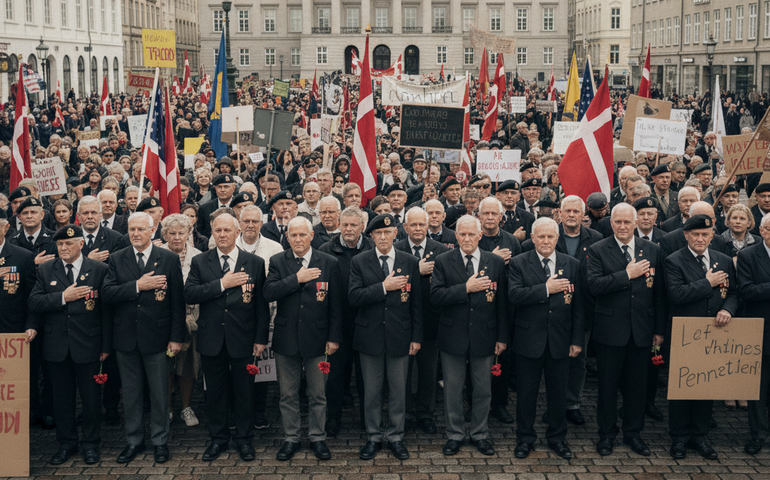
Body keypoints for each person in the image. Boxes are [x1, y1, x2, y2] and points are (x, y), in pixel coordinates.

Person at [183, 213, 269, 461]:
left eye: (227, 230)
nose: (222, 235)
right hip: (212, 338)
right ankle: (218, 439)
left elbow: (261, 306)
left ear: (238, 231)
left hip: (243, 339)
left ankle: (244, 440)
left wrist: (260, 338)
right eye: (217, 230)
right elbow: (189, 293)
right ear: (212, 232)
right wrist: (222, 283)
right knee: (216, 394)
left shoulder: (253, 262)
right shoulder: (201, 261)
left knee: (244, 393)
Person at [102, 212, 186, 464]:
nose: (135, 233)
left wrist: (176, 337)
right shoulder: (117, 258)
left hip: (158, 338)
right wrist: (138, 286)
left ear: (153, 230)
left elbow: (177, 303)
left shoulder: (168, 258)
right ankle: (134, 441)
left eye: (141, 229)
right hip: (126, 338)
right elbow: (106, 293)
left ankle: (160, 441)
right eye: (132, 229)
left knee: (160, 393)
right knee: (131, 393)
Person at [587, 203, 666, 457]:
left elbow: (660, 294)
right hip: (610, 331)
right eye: (617, 222)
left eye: (626, 222)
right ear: (611, 224)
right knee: (607, 387)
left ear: (636, 224)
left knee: (637, 387)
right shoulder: (598, 250)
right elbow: (594, 286)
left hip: (642, 331)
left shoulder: (652, 250)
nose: (622, 226)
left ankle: (633, 433)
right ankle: (607, 435)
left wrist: (658, 329)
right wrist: (626, 274)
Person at [27, 224, 111, 465]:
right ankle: (66, 444)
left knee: (91, 400)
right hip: (57, 347)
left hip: (89, 345)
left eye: (68, 244)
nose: (63, 248)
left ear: (81, 244)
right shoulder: (45, 269)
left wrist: (106, 346)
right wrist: (64, 297)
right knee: (62, 401)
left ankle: (91, 444)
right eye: (60, 244)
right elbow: (34, 302)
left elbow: (106, 312)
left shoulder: (99, 269)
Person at [263, 216, 343, 461]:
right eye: (293, 235)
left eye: (302, 235)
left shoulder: (329, 262)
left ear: (311, 236)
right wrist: (296, 279)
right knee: (287, 394)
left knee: (318, 394)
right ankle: (291, 438)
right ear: (287, 238)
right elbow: (268, 292)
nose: (298, 239)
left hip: (319, 340)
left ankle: (318, 438)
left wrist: (334, 337)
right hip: (286, 339)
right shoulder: (278, 261)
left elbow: (337, 306)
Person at [431, 214, 507, 456]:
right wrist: (465, 288)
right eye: (461, 234)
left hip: (485, 335)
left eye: (471, 234)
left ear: (479, 235)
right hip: (453, 336)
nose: (466, 238)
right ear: (456, 236)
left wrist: (502, 337)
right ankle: (454, 434)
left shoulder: (494, 262)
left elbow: (503, 304)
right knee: (453, 389)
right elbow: (435, 297)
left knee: (483, 389)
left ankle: (480, 433)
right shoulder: (443, 260)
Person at [509, 217, 584, 459]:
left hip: (560, 341)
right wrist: (545, 289)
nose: (545, 241)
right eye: (540, 236)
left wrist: (576, 340)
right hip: (528, 340)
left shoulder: (571, 264)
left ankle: (557, 438)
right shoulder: (519, 263)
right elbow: (514, 295)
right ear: (532, 238)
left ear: (557, 238)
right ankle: (525, 438)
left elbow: (580, 307)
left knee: (558, 394)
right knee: (526, 395)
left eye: (550, 236)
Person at [349, 213, 422, 460]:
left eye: (387, 232)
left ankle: (396, 436)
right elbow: (354, 297)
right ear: (371, 236)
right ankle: (373, 436)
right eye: (377, 233)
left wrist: (416, 337)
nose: (382, 236)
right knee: (371, 392)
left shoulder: (409, 261)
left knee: (399, 390)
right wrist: (383, 287)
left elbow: (417, 304)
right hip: (369, 337)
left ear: (395, 234)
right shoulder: (360, 261)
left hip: (400, 336)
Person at [665, 214, 738, 460]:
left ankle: (699, 435)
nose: (700, 238)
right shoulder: (674, 261)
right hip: (686, 334)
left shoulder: (724, 260)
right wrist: (706, 283)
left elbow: (735, 293)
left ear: (712, 235)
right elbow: (676, 294)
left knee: (706, 386)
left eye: (705, 234)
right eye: (695, 234)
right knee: (681, 388)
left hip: (714, 335)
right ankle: (678, 437)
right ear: (686, 235)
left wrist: (728, 309)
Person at [318, 206, 374, 436]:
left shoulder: (372, 247)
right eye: (345, 225)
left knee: (366, 377)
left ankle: (367, 420)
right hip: (337, 322)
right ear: (339, 225)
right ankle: (333, 420)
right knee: (334, 377)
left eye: (354, 225)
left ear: (363, 226)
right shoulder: (326, 249)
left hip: (366, 321)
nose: (349, 229)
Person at [395, 207, 449, 434]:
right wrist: (416, 270)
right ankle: (405, 413)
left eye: (422, 225)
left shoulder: (442, 251)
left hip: (431, 320)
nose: (418, 229)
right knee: (403, 374)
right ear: (405, 227)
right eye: (413, 225)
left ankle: (426, 413)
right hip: (401, 321)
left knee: (428, 372)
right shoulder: (395, 248)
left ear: (428, 227)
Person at [161, 214, 202, 427]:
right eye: (172, 233)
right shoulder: (157, 256)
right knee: (166, 366)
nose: (177, 237)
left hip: (190, 319)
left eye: (181, 233)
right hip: (163, 321)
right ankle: (166, 408)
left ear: (188, 233)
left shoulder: (198, 256)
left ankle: (186, 407)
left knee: (187, 367)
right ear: (165, 234)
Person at [739, 215, 770, 454]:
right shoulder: (748, 255)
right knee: (757, 388)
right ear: (761, 230)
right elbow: (746, 290)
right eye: (769, 229)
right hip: (760, 332)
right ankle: (757, 435)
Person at [78, 196, 123, 262]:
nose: (90, 217)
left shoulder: (115, 238)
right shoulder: (71, 238)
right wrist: (88, 260)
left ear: (100, 215)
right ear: (78, 216)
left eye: (94, 213)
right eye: (85, 213)